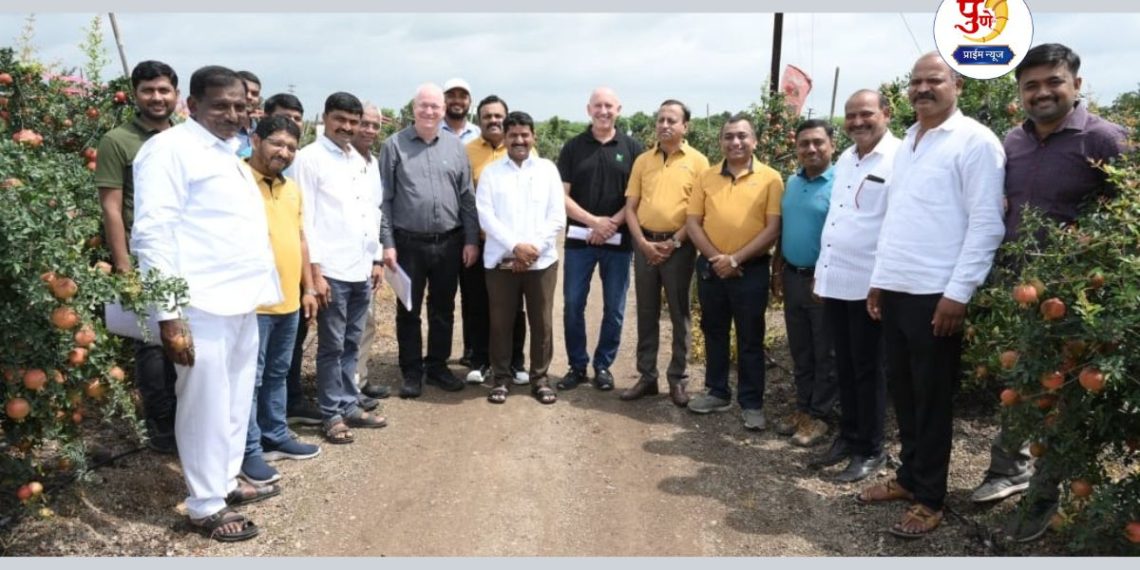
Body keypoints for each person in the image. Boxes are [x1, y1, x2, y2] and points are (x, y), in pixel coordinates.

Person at [968, 43, 1129, 543]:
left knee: (1059, 400)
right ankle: (1009, 469)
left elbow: (1129, 214)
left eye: (1053, 82)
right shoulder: (1012, 141)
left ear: (1076, 84)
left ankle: (1043, 495)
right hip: (1017, 289)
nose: (1042, 93)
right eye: (1030, 85)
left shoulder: (1104, 138)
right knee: (1018, 381)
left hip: (1078, 302)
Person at [857, 53, 1005, 539]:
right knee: (903, 390)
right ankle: (909, 477)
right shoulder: (911, 143)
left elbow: (986, 224)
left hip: (936, 295)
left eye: (934, 80)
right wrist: (880, 278)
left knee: (932, 397)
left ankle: (930, 497)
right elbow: (897, 217)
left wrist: (958, 293)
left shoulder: (975, 142)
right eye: (916, 81)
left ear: (957, 85)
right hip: (898, 289)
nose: (923, 88)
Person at [132, 65, 282, 542]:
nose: (232, 114)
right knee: (204, 404)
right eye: (221, 105)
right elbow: (153, 234)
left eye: (240, 106)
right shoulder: (169, 150)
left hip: (240, 299)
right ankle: (204, 504)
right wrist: (169, 314)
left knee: (235, 399)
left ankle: (224, 480)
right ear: (192, 106)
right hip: (199, 303)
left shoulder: (228, 153)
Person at [809, 89, 901, 483]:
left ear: (886, 113)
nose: (858, 122)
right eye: (851, 116)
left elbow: (896, 225)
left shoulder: (899, 158)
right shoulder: (847, 158)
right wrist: (822, 273)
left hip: (870, 285)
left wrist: (882, 282)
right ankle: (848, 436)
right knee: (844, 364)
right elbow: (838, 218)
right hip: (838, 279)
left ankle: (871, 448)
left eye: (866, 114)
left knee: (868, 368)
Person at [94, 60, 180, 454]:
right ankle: (161, 426)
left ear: (176, 94)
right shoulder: (118, 141)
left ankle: (185, 417)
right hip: (143, 255)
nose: (157, 98)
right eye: (148, 90)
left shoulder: (185, 137)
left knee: (183, 335)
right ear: (135, 94)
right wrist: (124, 265)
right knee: (151, 342)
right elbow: (111, 208)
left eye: (164, 90)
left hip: (184, 253)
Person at [292, 92, 387, 444]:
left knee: (352, 341)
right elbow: (305, 220)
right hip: (330, 270)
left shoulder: (358, 160)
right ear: (326, 117)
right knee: (331, 346)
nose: (347, 127)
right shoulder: (309, 159)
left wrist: (376, 258)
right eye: (340, 120)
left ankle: (349, 404)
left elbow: (372, 211)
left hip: (360, 267)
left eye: (353, 121)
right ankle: (331, 412)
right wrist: (315, 274)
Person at [379, 83, 480, 398]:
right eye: (423, 105)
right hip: (407, 243)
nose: (429, 111)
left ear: (443, 110)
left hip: (449, 242)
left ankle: (437, 366)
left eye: (435, 106)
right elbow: (384, 199)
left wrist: (471, 239)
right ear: (414, 108)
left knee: (443, 308)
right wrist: (387, 242)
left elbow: (467, 197)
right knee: (408, 309)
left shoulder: (455, 147)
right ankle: (411, 371)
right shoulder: (394, 146)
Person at [684, 114, 783, 431]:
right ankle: (717, 392)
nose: (735, 142)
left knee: (750, 337)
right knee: (713, 330)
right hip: (712, 268)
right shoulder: (706, 177)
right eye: (728, 136)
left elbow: (773, 228)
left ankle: (752, 403)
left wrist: (736, 260)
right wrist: (718, 260)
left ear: (754, 140)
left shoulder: (771, 178)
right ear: (721, 142)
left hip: (751, 270)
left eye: (742, 136)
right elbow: (693, 223)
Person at [239, 116, 322, 486]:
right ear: (255, 140)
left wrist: (308, 288)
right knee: (250, 380)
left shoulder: (291, 189)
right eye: (277, 143)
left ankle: (275, 435)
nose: (284, 152)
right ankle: (248, 450)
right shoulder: (238, 181)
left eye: (291, 147)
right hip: (252, 304)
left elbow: (300, 238)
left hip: (288, 301)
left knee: (277, 372)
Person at [621, 99, 709, 407]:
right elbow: (630, 208)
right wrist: (643, 243)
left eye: (672, 120)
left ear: (686, 126)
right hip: (644, 244)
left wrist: (673, 243)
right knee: (646, 312)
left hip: (680, 248)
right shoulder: (643, 160)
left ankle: (678, 378)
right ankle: (647, 376)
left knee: (679, 313)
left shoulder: (698, 162)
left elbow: (699, 212)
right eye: (660, 120)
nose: (664, 125)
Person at [556, 87, 644, 391]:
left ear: (618, 110)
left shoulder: (633, 148)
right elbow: (562, 196)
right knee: (572, 304)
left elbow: (637, 197)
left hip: (618, 244)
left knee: (615, 308)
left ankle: (603, 365)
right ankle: (577, 366)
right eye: (598, 106)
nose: (603, 111)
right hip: (578, 241)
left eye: (609, 106)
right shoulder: (573, 147)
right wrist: (594, 223)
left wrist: (612, 224)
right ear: (588, 110)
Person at [475, 111, 566, 405]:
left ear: (533, 137)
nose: (519, 140)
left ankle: (540, 379)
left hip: (541, 262)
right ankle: (501, 379)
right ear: (504, 138)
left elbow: (557, 216)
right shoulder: (491, 173)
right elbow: (486, 216)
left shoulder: (547, 170)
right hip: (501, 262)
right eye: (513, 135)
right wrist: (515, 247)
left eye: (525, 134)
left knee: (542, 323)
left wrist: (531, 250)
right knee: (500, 323)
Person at [771, 119, 837, 448]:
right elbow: (785, 228)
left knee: (825, 350)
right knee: (800, 348)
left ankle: (820, 415)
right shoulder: (793, 182)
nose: (810, 149)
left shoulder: (841, 184)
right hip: (793, 276)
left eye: (817, 142)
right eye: (804, 143)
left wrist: (824, 275)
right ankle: (803, 407)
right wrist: (777, 269)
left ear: (832, 146)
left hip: (822, 280)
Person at [463, 95, 530, 385]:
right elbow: (466, 202)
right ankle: (479, 359)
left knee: (514, 307)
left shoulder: (522, 150)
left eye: (498, 116)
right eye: (487, 116)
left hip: (514, 245)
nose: (493, 121)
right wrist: (470, 240)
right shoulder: (466, 151)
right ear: (479, 121)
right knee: (478, 303)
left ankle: (515, 361)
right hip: (480, 243)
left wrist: (522, 245)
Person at [352, 103, 394, 400]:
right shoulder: (338, 160)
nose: (369, 130)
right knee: (346, 329)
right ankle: (346, 389)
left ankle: (359, 380)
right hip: (342, 261)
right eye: (363, 123)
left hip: (367, 257)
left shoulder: (373, 162)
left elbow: (376, 212)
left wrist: (378, 257)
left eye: (375, 125)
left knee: (366, 323)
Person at [441, 77, 481, 144]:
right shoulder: (430, 132)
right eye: (451, 96)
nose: (457, 101)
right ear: (442, 100)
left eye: (463, 97)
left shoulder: (479, 135)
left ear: (470, 101)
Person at [234, 70, 262, 158]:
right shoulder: (220, 131)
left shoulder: (260, 132)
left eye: (254, 94)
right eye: (244, 92)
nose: (249, 97)